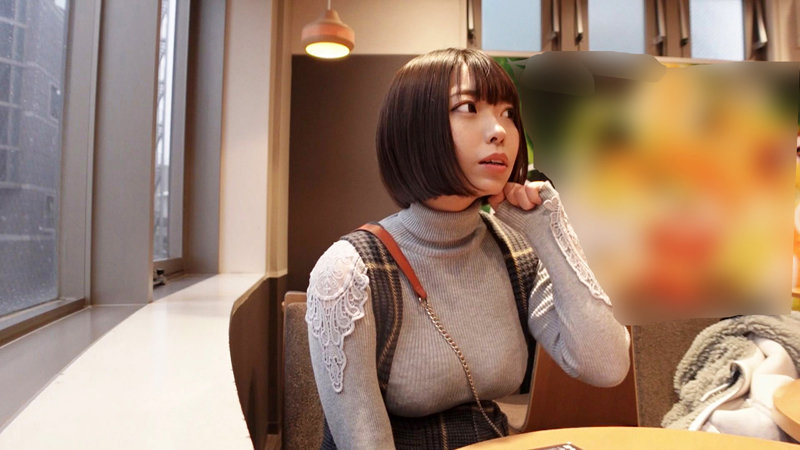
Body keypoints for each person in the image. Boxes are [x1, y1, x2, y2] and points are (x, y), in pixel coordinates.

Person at [305, 48, 630, 450]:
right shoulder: (349, 272)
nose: (500, 131)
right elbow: (363, 441)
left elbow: (607, 366)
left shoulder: (516, 252)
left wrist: (549, 231)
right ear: (416, 128)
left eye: (508, 113)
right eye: (469, 108)